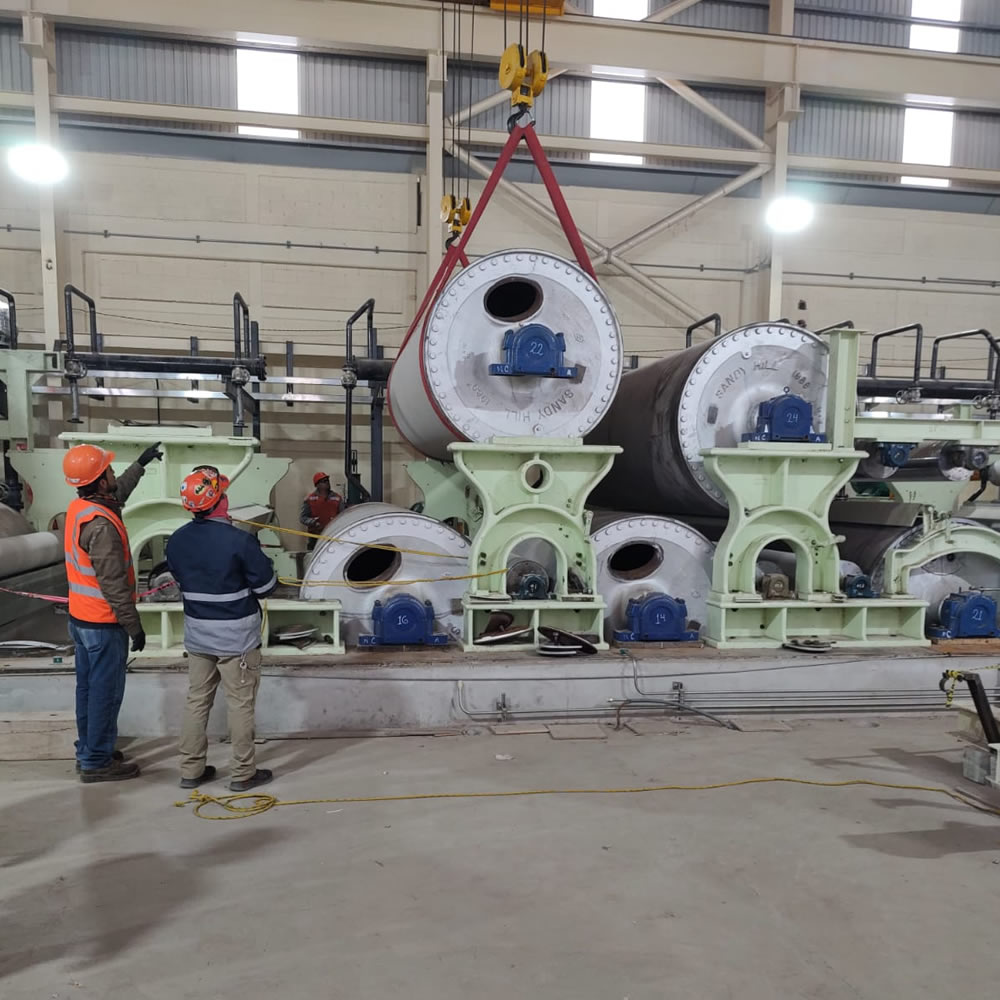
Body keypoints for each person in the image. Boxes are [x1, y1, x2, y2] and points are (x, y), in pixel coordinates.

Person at [166, 469, 278, 792]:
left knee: (197, 700)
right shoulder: (240, 541)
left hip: (198, 635)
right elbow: (267, 587)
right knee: (240, 704)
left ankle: (191, 770)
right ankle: (242, 773)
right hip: (236, 638)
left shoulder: (176, 540)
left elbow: (181, 580)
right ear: (219, 501)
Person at [63, 440, 163, 783]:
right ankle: (96, 761)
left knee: (88, 689)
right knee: (105, 692)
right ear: (100, 481)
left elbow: (118, 492)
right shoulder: (102, 526)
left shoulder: (82, 507)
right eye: (108, 469)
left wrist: (140, 464)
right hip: (102, 624)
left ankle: (91, 748)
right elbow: (114, 584)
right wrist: (134, 626)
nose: (112, 473)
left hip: (81, 618)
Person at [300, 472, 343, 551]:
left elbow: (343, 516)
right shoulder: (309, 499)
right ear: (317, 485)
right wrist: (313, 522)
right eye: (324, 481)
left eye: (327, 480)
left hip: (333, 536)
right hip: (315, 537)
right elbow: (303, 518)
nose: (327, 483)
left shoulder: (337, 498)